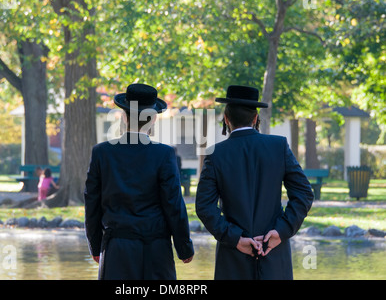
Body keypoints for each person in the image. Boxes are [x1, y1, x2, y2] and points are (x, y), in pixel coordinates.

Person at [196, 85, 314, 280]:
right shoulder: (279, 146)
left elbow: (204, 207)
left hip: (233, 259)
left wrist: (235, 238)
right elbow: (304, 193)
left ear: (226, 119)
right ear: (255, 118)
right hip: (273, 255)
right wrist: (281, 231)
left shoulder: (215, 154)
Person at [84, 83, 194, 280]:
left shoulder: (102, 153)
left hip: (117, 247)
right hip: (156, 250)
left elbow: (92, 203)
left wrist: (95, 244)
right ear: (152, 120)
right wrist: (184, 247)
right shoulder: (164, 154)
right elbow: (173, 204)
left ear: (124, 117)